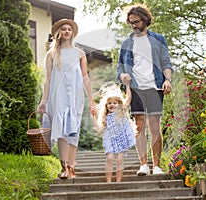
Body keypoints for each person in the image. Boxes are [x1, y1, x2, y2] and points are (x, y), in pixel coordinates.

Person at [116, 4, 173, 176]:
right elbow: (120, 68)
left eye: (136, 22)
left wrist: (168, 80)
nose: (133, 25)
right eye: (131, 22)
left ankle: (156, 166)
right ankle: (143, 165)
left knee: (154, 126)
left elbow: (165, 62)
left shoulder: (158, 39)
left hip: (155, 86)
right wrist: (122, 77)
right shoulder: (127, 43)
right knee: (139, 126)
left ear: (145, 20)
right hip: (136, 88)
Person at [37, 19, 96, 179]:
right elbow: (48, 79)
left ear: (73, 33)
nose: (67, 31)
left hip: (75, 97)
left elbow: (85, 78)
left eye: (69, 29)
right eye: (64, 29)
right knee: (62, 130)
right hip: (58, 96)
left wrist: (91, 101)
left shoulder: (80, 53)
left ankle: (71, 166)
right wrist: (43, 101)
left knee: (73, 131)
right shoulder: (52, 54)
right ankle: (64, 167)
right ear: (59, 33)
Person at [94, 83, 136, 182]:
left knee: (120, 160)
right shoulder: (106, 117)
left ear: (119, 104)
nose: (112, 105)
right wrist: (93, 116)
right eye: (109, 103)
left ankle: (118, 182)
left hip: (121, 138)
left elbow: (129, 97)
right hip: (110, 139)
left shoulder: (121, 112)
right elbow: (98, 127)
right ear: (106, 106)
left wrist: (128, 85)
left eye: (114, 103)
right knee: (109, 158)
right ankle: (109, 182)